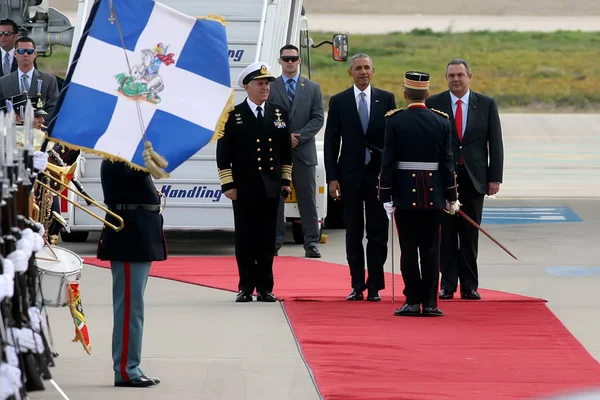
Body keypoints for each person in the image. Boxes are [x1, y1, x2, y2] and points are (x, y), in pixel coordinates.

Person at [379, 71, 459, 317]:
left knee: (409, 249)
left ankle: (412, 301)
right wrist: (452, 195)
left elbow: (388, 161)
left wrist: (385, 195)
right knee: (431, 250)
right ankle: (431, 303)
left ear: (404, 94)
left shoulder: (394, 120)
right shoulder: (442, 121)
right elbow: (448, 162)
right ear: (427, 94)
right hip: (433, 195)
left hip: (404, 194)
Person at [425, 58, 504, 300]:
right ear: (446, 78)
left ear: (470, 77)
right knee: (446, 235)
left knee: (470, 234)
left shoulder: (486, 104)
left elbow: (495, 143)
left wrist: (494, 178)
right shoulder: (433, 103)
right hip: (444, 179)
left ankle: (469, 285)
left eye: (460, 75)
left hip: (474, 179)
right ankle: (447, 285)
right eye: (451, 76)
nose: (456, 79)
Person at [216, 62, 293, 303]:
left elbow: (285, 152)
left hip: (270, 187)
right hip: (245, 187)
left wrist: (285, 180)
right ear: (247, 86)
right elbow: (223, 154)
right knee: (246, 238)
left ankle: (266, 288)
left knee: (267, 239)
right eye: (260, 83)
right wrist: (228, 185)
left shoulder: (279, 113)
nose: (265, 87)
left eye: (267, 83)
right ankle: (245, 287)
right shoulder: (232, 115)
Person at [324, 53, 396, 301]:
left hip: (378, 178)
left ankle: (375, 285)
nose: (363, 72)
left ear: (373, 71)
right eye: (358, 68)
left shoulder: (386, 99)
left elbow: (392, 139)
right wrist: (332, 177)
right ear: (350, 73)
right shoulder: (339, 101)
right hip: (350, 176)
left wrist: (391, 174)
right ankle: (356, 284)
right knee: (353, 232)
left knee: (378, 233)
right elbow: (331, 142)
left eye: (367, 68)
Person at [97, 159, 166, 387]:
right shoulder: (118, 158)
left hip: (140, 234)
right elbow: (140, 171)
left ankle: (131, 365)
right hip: (130, 236)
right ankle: (127, 370)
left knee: (133, 307)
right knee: (129, 309)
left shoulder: (128, 158)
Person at [269, 44, 324, 258]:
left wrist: (298, 137)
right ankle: (274, 242)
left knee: (307, 199)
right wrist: (284, 138)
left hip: (303, 152)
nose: (290, 62)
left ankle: (311, 242)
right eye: (286, 59)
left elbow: (318, 118)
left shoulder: (312, 88)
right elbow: (267, 116)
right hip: (278, 153)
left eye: (293, 58)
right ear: (280, 61)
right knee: (276, 199)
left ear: (299, 60)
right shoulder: (271, 87)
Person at [0, 37, 59, 121]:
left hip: (39, 130)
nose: (25, 54)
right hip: (11, 129)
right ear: (15, 54)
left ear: (35, 53)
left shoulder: (49, 80)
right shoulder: (2, 82)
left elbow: (53, 108)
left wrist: (36, 121)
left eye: (29, 51)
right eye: (21, 51)